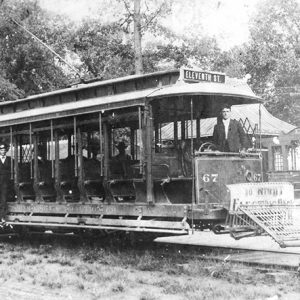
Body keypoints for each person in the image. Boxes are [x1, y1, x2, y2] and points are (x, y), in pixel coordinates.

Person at [0, 143, 11, 221]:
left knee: (3, 199)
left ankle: (2, 216)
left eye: (4, 150)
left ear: (6, 150)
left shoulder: (10, 160)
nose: (3, 151)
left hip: (6, 183)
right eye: (1, 150)